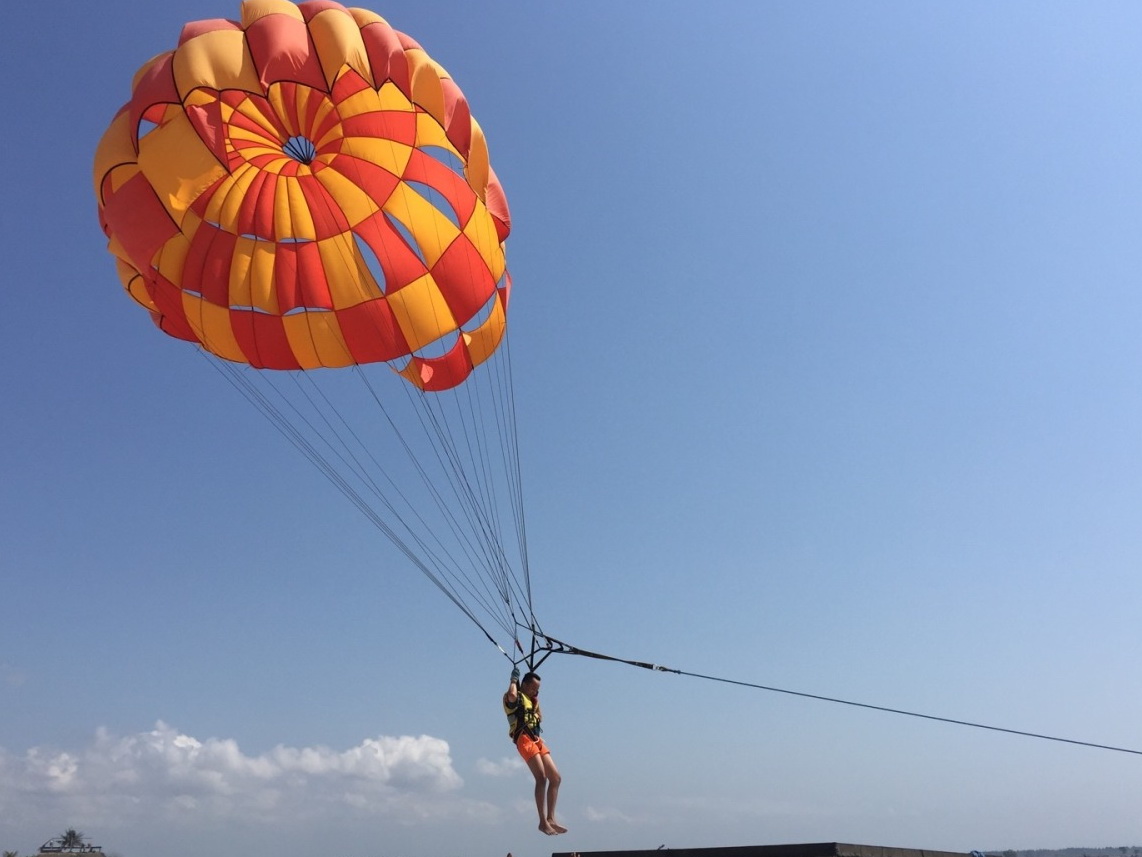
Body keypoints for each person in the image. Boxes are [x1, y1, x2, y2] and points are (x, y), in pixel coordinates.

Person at [504, 667, 566, 835]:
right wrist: (513, 681)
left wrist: (534, 698)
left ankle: (551, 818)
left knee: (556, 778)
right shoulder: (514, 697)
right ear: (523, 685)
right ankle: (542, 821)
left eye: (537, 690)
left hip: (536, 739)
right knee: (541, 777)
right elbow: (511, 696)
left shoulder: (532, 701)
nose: (535, 692)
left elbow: (539, 718)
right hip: (523, 739)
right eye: (532, 688)